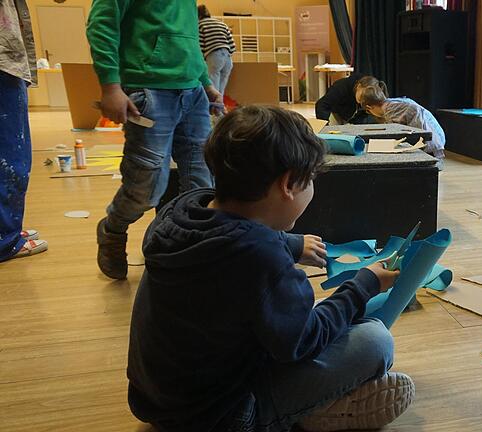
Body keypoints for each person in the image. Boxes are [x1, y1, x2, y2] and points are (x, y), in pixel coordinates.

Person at [126, 105, 415, 432]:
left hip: (153, 400)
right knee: (375, 340)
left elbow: (235, 234)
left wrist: (291, 245)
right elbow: (303, 341)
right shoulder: (260, 259)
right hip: (222, 418)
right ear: (289, 184)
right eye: (310, 181)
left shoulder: (181, 213)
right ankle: (314, 412)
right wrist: (364, 284)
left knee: (292, 313)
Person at [87, 0, 223, 279]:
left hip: (193, 93)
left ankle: (188, 247)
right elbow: (102, 24)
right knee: (147, 187)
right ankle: (113, 229)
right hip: (149, 91)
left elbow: (188, 40)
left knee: (202, 181)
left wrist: (206, 84)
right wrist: (110, 86)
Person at [0, 0, 49, 261]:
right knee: (10, 158)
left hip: (7, 60)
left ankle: (6, 230)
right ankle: (5, 240)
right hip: (3, 63)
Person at [356, 85, 446, 166]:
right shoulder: (393, 103)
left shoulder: (390, 109)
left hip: (431, 149)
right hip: (435, 143)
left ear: (369, 107)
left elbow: (395, 134)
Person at [198, 5, 236, 97]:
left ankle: (213, 110)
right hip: (227, 57)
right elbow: (232, 44)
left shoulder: (200, 25)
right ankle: (219, 109)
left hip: (214, 55)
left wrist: (202, 60)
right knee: (220, 90)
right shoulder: (221, 23)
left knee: (213, 89)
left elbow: (200, 46)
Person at [315, 74, 383, 125]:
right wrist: (324, 127)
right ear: (359, 86)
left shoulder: (371, 92)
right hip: (335, 113)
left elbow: (363, 113)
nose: (363, 99)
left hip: (352, 116)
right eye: (362, 95)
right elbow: (321, 105)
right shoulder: (340, 88)